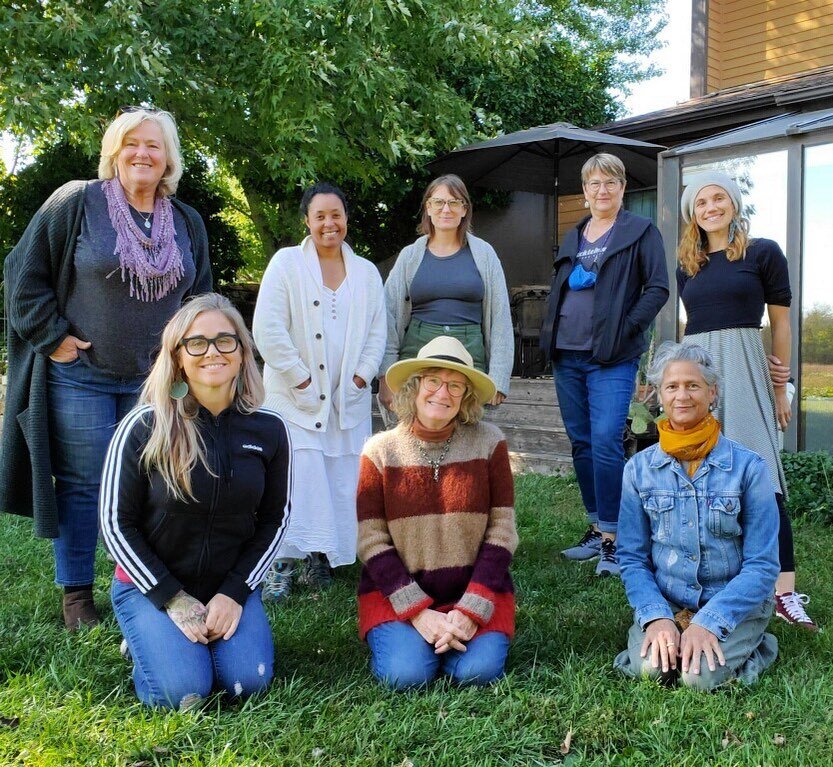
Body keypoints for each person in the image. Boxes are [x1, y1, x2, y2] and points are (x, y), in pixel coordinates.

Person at [0, 107, 212, 631]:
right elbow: (20, 276)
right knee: (83, 484)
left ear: (168, 159)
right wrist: (54, 339)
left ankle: (144, 586)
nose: (142, 153)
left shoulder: (186, 220)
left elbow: (201, 297)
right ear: (114, 151)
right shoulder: (77, 202)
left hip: (159, 383)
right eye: (132, 143)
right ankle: (77, 597)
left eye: (154, 146)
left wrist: (196, 356)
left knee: (156, 484)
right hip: (82, 376)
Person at [99, 293, 292, 710]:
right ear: (178, 357)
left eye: (226, 340)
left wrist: (235, 592)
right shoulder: (144, 425)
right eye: (197, 342)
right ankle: (148, 637)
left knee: (248, 683)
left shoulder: (270, 429)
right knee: (183, 693)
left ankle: (179, 641)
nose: (212, 352)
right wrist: (173, 598)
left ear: (242, 353)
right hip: (154, 586)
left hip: (227, 585)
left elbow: (276, 520)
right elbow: (115, 524)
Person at [677, 170, 817, 631]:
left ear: (734, 204)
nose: (711, 207)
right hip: (701, 373)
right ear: (691, 213)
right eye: (701, 202)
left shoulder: (763, 253)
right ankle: (717, 580)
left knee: (762, 478)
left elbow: (780, 324)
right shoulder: (688, 263)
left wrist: (782, 385)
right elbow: (691, 326)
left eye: (720, 198)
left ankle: (784, 590)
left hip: (747, 372)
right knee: (704, 474)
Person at [615, 342, 779, 690]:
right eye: (672, 386)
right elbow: (631, 557)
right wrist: (656, 617)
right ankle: (673, 631)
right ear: (659, 394)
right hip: (669, 598)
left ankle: (760, 646)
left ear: (712, 392)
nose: (682, 396)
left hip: (733, 600)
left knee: (695, 678)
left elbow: (763, 566)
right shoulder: (638, 470)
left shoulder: (749, 467)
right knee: (650, 670)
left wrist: (710, 621)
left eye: (693, 385)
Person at [357, 336, 518, 689]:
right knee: (407, 675)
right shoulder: (379, 452)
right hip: (396, 598)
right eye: (433, 381)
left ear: (466, 397)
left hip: (474, 593)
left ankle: (448, 641)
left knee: (476, 673)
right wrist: (417, 612)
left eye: (455, 385)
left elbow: (502, 532)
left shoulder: (490, 443)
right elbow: (371, 540)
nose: (442, 393)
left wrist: (471, 611)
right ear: (414, 387)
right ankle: (422, 645)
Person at [253, 182, 386, 601]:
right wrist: (302, 379)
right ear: (307, 221)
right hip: (295, 397)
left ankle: (319, 557)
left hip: (347, 398)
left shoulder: (365, 271)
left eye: (336, 215)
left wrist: (362, 378)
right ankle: (281, 562)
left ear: (346, 218)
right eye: (320, 216)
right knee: (296, 477)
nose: (330, 223)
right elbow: (268, 329)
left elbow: (377, 331)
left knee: (340, 478)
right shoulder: (286, 263)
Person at [539, 153, 669, 576]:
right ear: (585, 190)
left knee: (607, 440)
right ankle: (596, 527)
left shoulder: (640, 231)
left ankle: (616, 538)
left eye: (610, 182)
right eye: (594, 183)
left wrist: (626, 328)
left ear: (622, 188)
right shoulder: (573, 235)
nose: (602, 190)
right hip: (567, 353)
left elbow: (658, 288)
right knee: (581, 442)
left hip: (611, 357)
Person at [377, 174, 513, 412]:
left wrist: (499, 378)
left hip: (469, 352)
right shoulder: (410, 256)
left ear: (464, 209)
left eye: (454, 202)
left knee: (466, 432)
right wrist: (385, 375)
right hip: (417, 353)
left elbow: (501, 317)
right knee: (416, 429)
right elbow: (387, 315)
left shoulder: (485, 254)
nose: (446, 209)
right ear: (428, 207)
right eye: (438, 202)